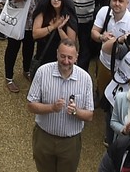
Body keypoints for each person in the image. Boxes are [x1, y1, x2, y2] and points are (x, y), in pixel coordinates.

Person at [27, 35, 93, 172]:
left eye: (70, 57)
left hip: (70, 143)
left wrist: (76, 112)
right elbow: (31, 105)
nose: (66, 61)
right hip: (44, 138)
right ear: (57, 54)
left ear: (76, 57)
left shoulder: (85, 79)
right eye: (63, 56)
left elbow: (89, 115)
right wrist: (51, 107)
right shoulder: (42, 72)